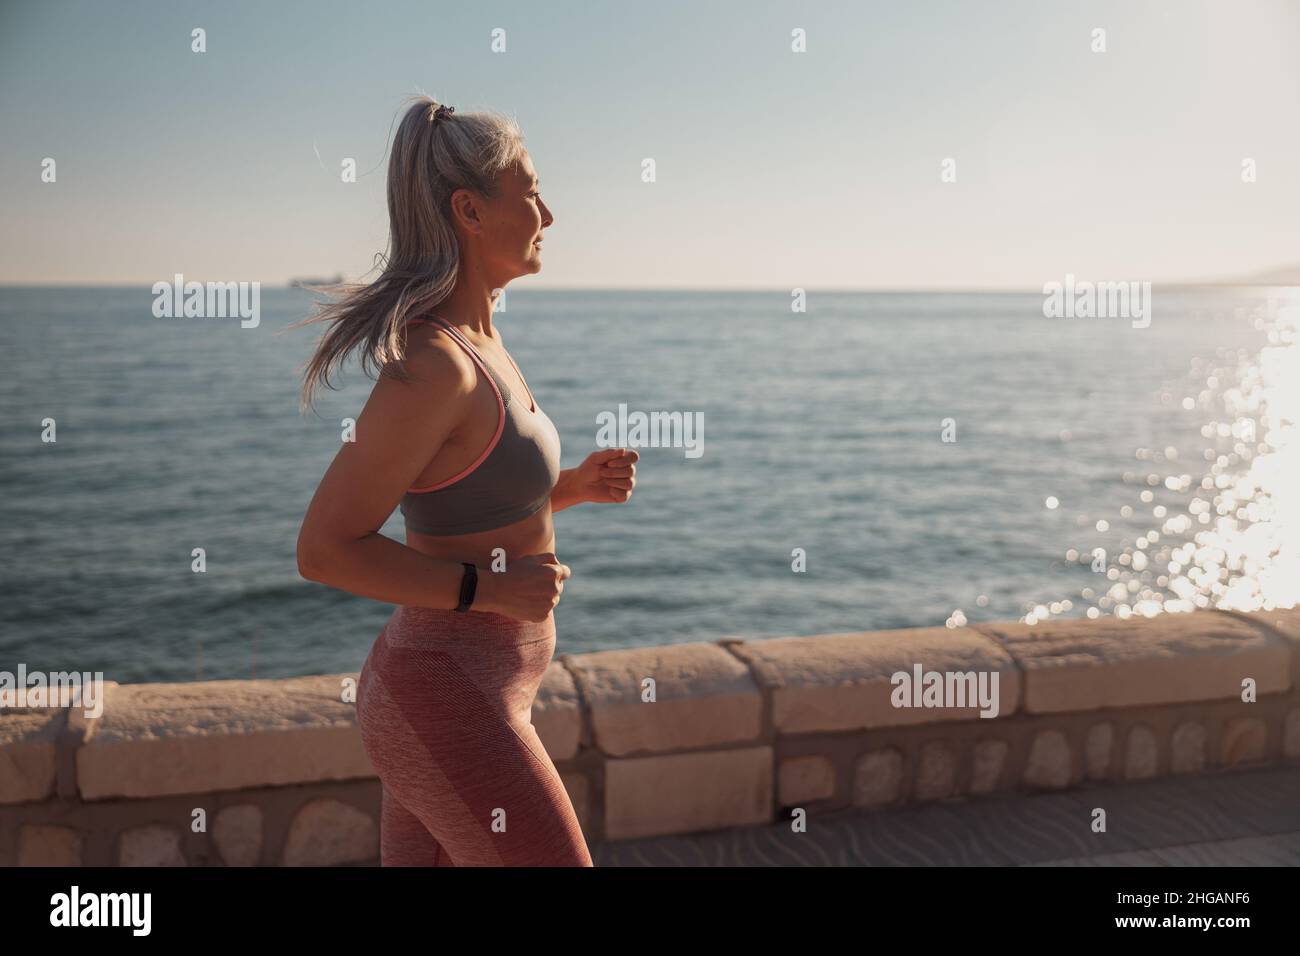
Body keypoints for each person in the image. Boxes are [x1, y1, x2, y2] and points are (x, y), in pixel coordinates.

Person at [293, 96, 638, 866]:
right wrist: (487, 594)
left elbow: (469, 508)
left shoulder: (485, 342)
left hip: (472, 690)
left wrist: (569, 489)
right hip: (444, 696)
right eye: (531, 193)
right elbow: (323, 549)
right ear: (469, 211)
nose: (549, 213)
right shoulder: (437, 365)